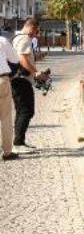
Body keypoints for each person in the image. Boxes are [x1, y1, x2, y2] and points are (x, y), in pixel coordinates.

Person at [11, 18, 46, 151]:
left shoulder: (19, 38)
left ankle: (19, 141)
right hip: (21, 80)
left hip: (19, 79)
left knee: (22, 111)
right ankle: (18, 143)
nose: (36, 34)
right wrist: (36, 73)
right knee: (26, 111)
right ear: (31, 27)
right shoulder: (24, 38)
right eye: (36, 31)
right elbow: (22, 58)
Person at [0, 35, 19, 160]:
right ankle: (7, 152)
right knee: (5, 117)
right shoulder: (2, 41)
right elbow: (15, 59)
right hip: (1, 79)